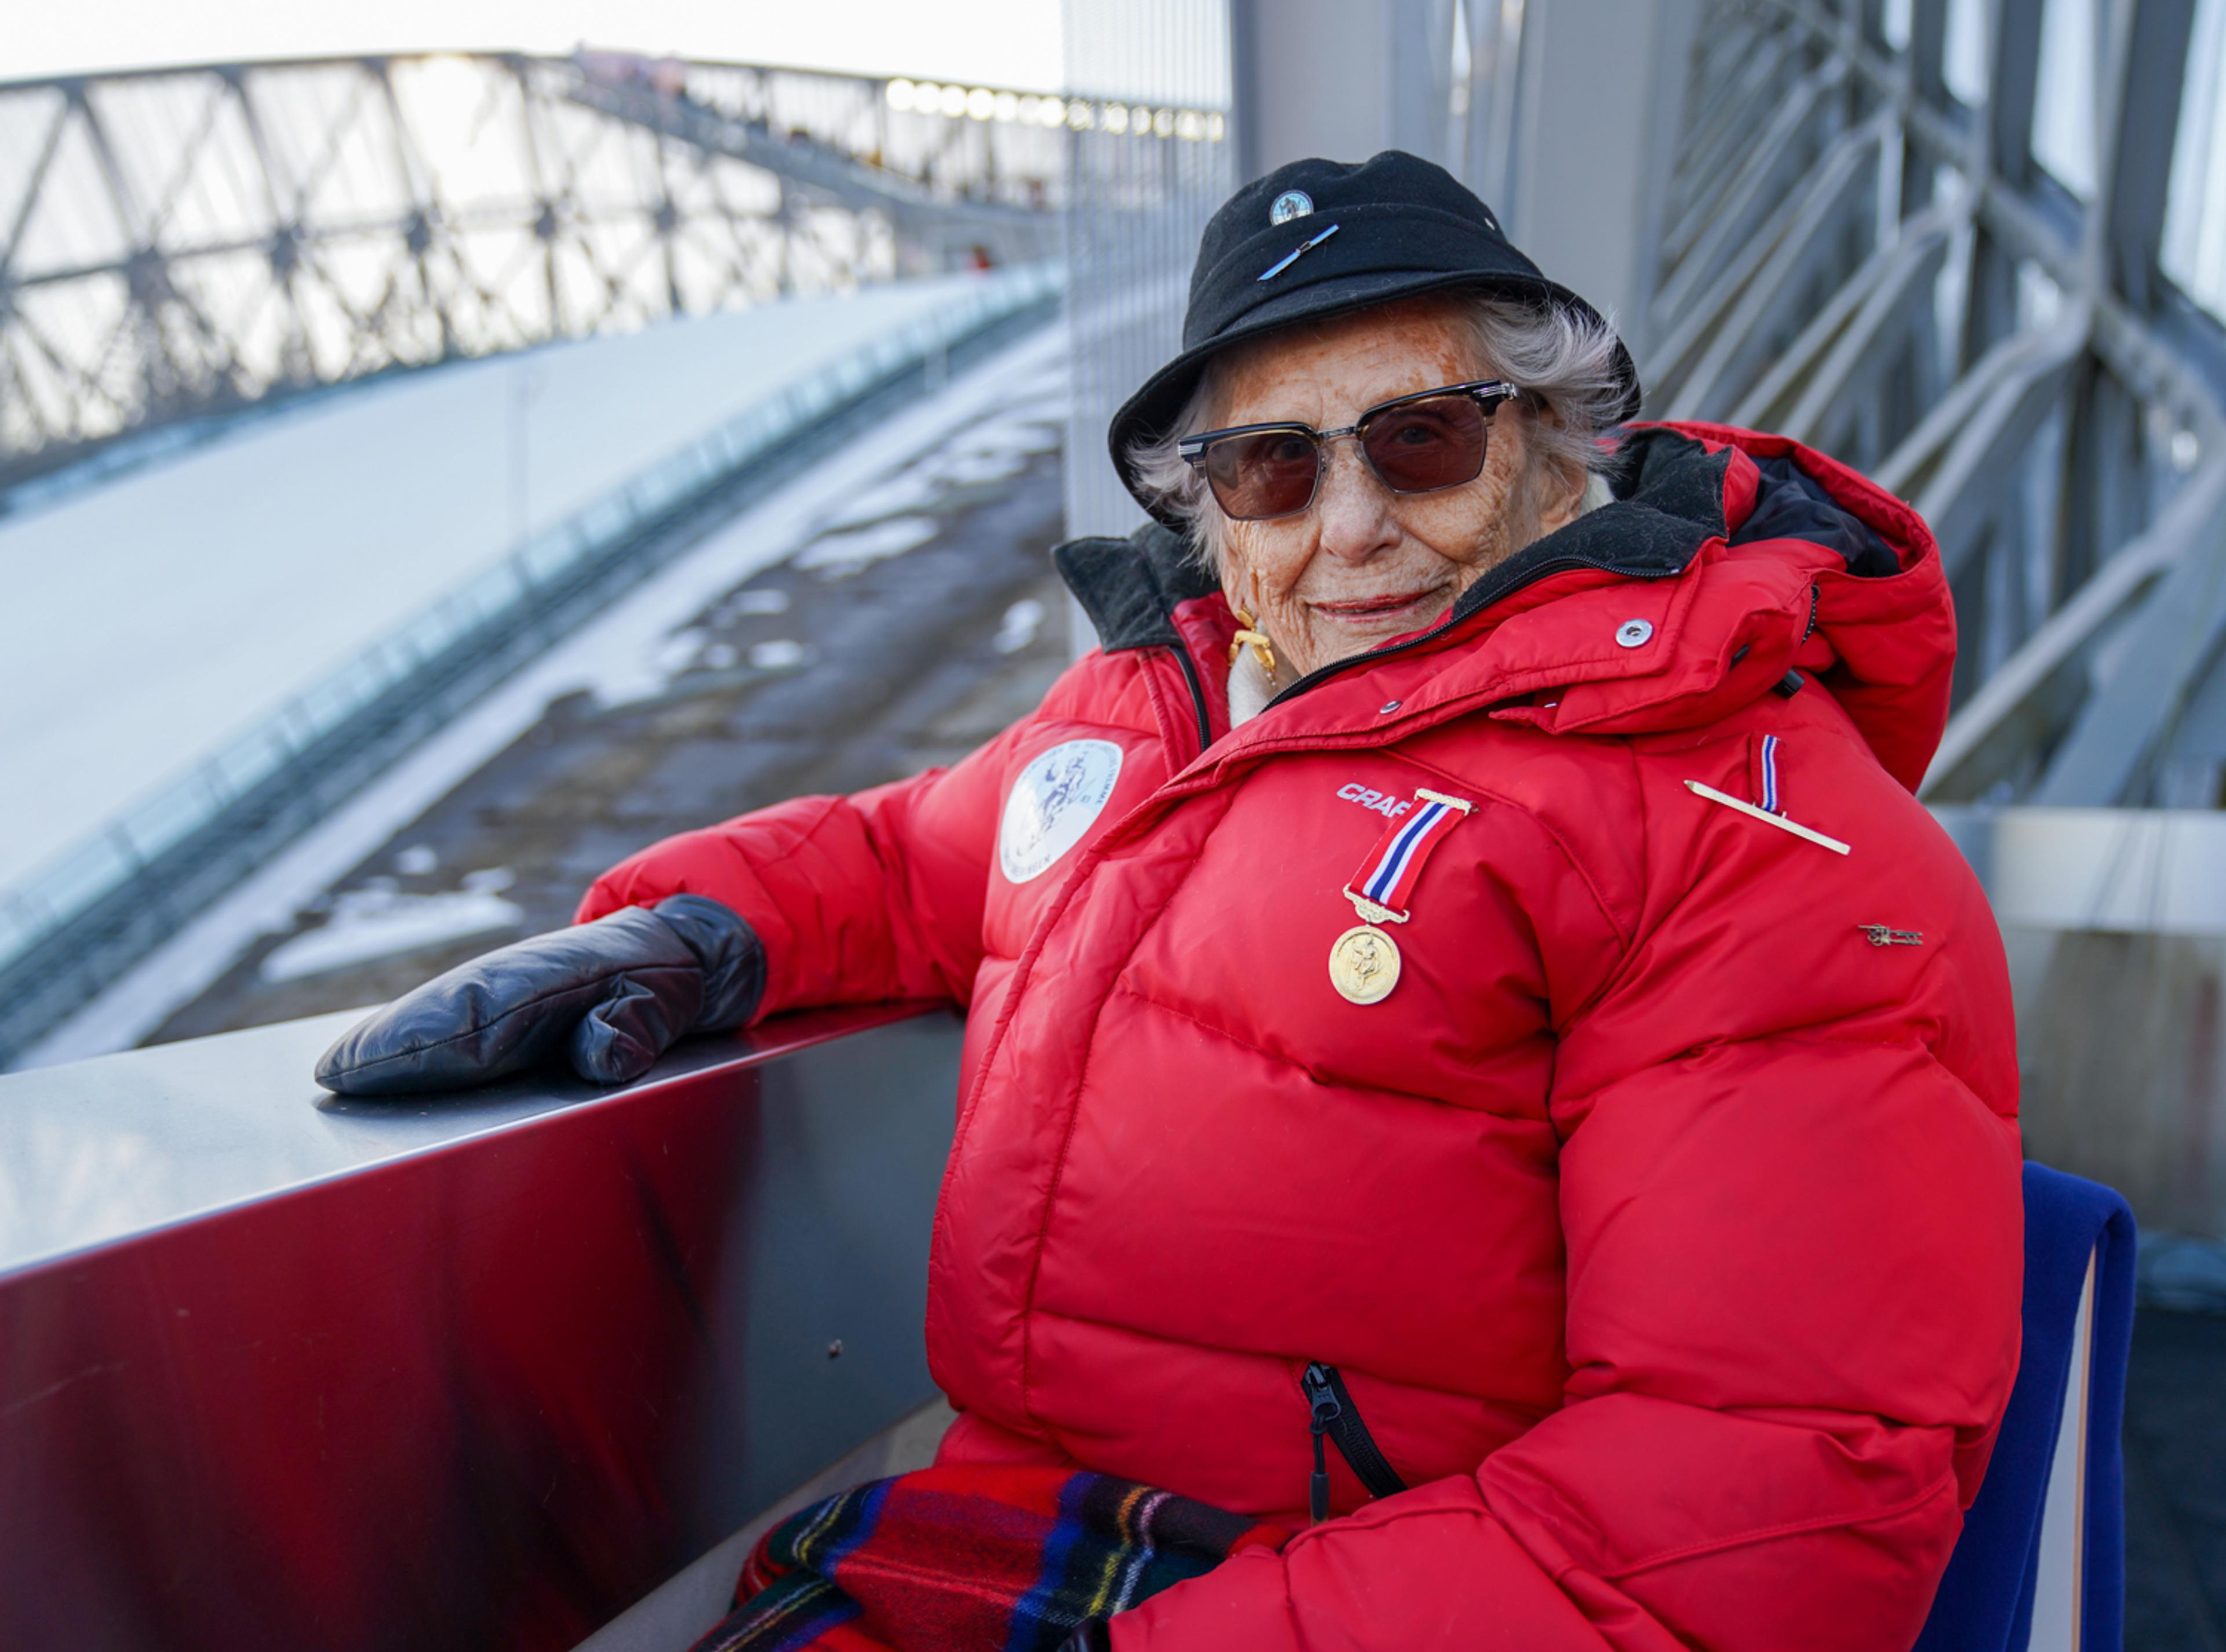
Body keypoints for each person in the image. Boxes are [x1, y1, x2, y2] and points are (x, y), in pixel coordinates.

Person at [321, 152, 2024, 1650]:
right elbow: (924, 851)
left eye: (1419, 439)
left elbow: (1748, 1518)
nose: (1351, 528)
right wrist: (694, 927)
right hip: (1023, 1533)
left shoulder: (1748, 823)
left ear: (1560, 441)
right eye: (1274, 470)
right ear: (1210, 505)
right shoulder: (1167, 712)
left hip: (1345, 1585)